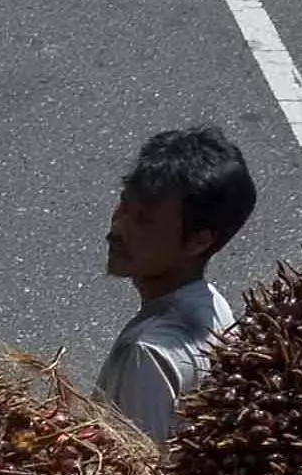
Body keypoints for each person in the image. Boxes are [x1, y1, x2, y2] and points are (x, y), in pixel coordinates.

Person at [95, 125, 258, 443]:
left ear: (199, 241)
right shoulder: (214, 305)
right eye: (124, 204)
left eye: (144, 219)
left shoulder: (146, 354)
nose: (118, 227)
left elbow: (138, 468)